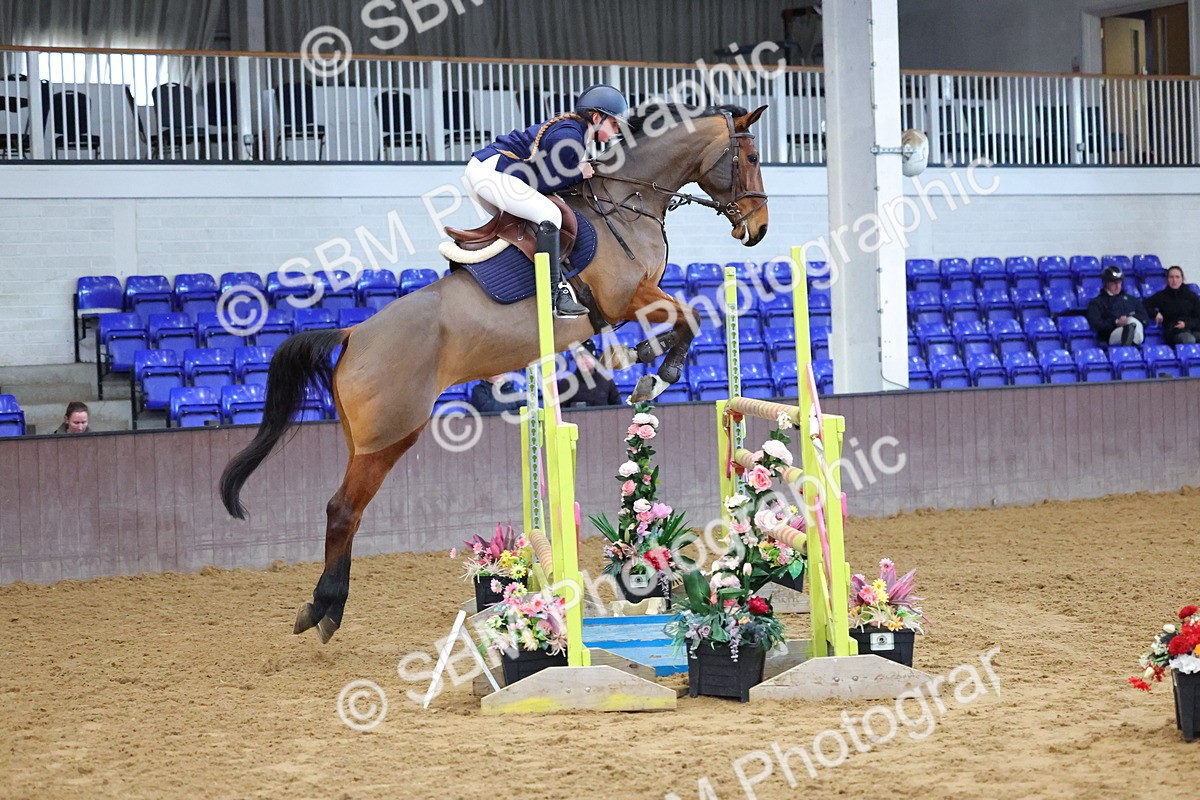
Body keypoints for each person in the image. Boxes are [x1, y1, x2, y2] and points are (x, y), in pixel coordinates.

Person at [463, 83, 628, 319]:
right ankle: (555, 294)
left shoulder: (574, 132)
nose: (617, 129)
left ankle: (525, 280)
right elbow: (541, 184)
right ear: (596, 117)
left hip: (486, 171)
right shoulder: (571, 137)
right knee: (549, 215)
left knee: (533, 220)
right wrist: (578, 173)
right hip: (491, 175)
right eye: (613, 123)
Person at [1086, 265, 1148, 346]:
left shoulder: (1132, 300)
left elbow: (1145, 318)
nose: (1118, 286)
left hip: (1135, 327)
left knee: (1132, 323)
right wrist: (1115, 322)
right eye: (1114, 283)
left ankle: (1131, 341)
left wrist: (1129, 318)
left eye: (1119, 282)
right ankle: (1130, 342)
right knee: (1129, 328)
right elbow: (1096, 324)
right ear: (1106, 283)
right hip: (1111, 334)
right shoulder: (1097, 302)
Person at [1143, 265, 1200, 345]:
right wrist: (1155, 313)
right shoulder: (1162, 296)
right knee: (1188, 339)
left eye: (1177, 277)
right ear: (1167, 279)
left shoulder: (1192, 296)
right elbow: (1143, 305)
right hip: (1174, 332)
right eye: (1171, 277)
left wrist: (1186, 324)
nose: (1174, 280)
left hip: (1192, 329)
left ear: (1182, 279)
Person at [558, 340, 620, 408]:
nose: (584, 361)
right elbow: (560, 411)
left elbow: (618, 410)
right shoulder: (566, 383)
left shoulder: (607, 381)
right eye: (580, 357)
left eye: (588, 357)